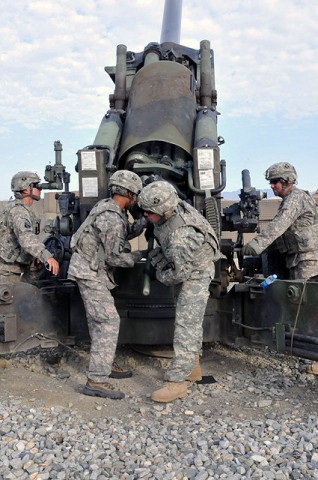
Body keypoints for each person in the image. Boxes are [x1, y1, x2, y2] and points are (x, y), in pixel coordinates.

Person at [138, 180, 220, 403]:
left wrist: (159, 270)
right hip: (187, 264)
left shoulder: (181, 235)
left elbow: (178, 275)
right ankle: (192, 367)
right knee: (190, 320)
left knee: (185, 324)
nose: (145, 215)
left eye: (149, 212)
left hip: (195, 273)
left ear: (164, 209)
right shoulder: (171, 206)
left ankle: (176, 383)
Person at [68, 170, 146, 400]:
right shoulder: (112, 217)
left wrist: (138, 226)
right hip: (90, 273)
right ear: (129, 193)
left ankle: (104, 364)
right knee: (109, 321)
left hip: (90, 271)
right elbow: (113, 256)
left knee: (98, 320)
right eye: (136, 195)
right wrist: (138, 256)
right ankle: (96, 380)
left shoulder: (108, 208)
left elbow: (116, 236)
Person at [243, 162, 318, 280]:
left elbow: (278, 226)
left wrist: (256, 244)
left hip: (307, 263)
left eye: (274, 182)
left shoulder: (295, 198)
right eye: (270, 182)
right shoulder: (289, 199)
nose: (271, 186)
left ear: (286, 181)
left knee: (304, 297)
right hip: (297, 260)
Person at [0, 171, 59, 284]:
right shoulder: (19, 212)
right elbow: (26, 238)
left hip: (14, 269)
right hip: (7, 272)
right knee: (13, 300)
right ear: (26, 189)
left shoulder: (18, 208)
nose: (40, 189)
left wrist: (36, 257)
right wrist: (46, 256)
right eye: (37, 186)